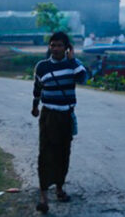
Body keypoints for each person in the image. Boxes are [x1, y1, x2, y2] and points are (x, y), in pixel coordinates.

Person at [31, 32, 88, 214]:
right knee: (45, 153)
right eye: (52, 45)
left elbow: (83, 78)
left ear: (67, 48)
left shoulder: (74, 66)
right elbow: (37, 88)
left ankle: (59, 188)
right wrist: (35, 106)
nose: (55, 49)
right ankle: (43, 196)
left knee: (63, 153)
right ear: (49, 47)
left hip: (65, 117)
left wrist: (72, 60)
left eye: (59, 46)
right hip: (48, 116)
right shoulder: (42, 67)